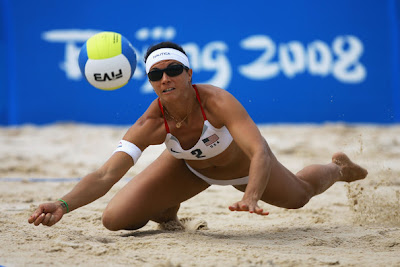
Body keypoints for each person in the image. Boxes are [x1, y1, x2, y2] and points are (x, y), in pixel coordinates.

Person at [28, 41, 368, 230]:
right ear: (150, 81)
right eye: (156, 74)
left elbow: (261, 151)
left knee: (300, 196)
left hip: (242, 169)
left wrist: (251, 195)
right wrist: (62, 204)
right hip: (188, 169)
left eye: (173, 70)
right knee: (116, 220)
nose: (165, 78)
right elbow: (106, 173)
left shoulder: (218, 102)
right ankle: (167, 210)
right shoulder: (151, 122)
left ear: (189, 73)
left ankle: (338, 168)